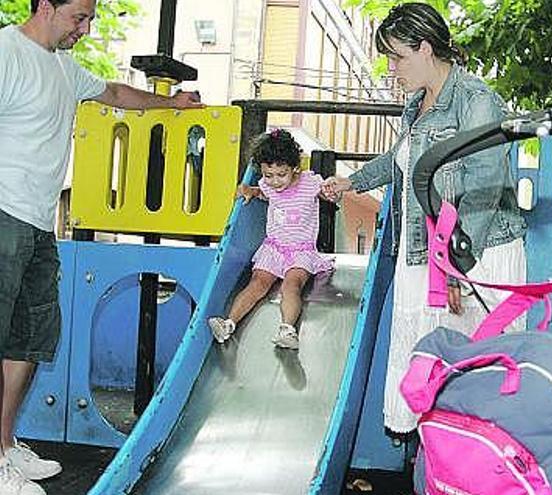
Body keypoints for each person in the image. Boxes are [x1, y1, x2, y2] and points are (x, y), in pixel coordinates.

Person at [0, 0, 202, 493]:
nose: (86, 29)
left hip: (40, 222)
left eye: (90, 19)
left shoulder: (65, 68)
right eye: (78, 18)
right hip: (2, 213)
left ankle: (3, 445)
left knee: (30, 338)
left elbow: (113, 91)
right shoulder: (7, 53)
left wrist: (172, 104)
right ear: (45, 7)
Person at [320, 2, 527, 434]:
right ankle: (435, 464)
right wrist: (351, 182)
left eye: (398, 56)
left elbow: (484, 185)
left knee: (474, 368)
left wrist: (457, 264)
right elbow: (403, 161)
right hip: (428, 251)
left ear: (426, 48)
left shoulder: (476, 101)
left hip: (475, 252)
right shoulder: (416, 105)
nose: (391, 68)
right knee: (426, 366)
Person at [208, 129, 334, 350]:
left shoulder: (310, 182)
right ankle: (228, 324)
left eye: (281, 174)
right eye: (269, 175)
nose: (275, 181)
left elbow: (327, 193)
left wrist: (333, 191)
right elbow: (263, 192)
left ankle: (288, 330)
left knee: (291, 285)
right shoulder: (268, 185)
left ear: (295, 168)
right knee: (257, 283)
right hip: (273, 248)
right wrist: (250, 190)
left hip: (300, 251)